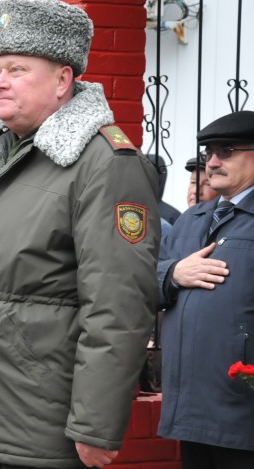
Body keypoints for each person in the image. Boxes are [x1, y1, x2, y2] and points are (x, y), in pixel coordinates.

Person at [0, 1, 161, 467]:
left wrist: (96, 424)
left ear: (63, 80)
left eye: (17, 69)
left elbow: (118, 305)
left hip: (36, 423)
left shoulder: (104, 163)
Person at [157, 110, 254, 469]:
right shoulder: (191, 220)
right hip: (191, 405)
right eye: (208, 152)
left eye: (226, 151)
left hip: (242, 408)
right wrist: (173, 273)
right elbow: (139, 283)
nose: (212, 162)